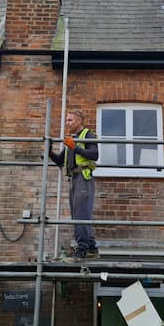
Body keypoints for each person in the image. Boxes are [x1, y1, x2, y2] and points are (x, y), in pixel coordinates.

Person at [49, 110, 99, 259]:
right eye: (67, 120)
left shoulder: (87, 135)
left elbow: (95, 154)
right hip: (74, 179)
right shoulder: (72, 139)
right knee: (78, 215)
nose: (67, 123)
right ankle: (91, 247)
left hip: (84, 177)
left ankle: (82, 249)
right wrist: (49, 151)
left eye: (70, 120)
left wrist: (74, 147)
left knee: (82, 214)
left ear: (79, 121)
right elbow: (60, 160)